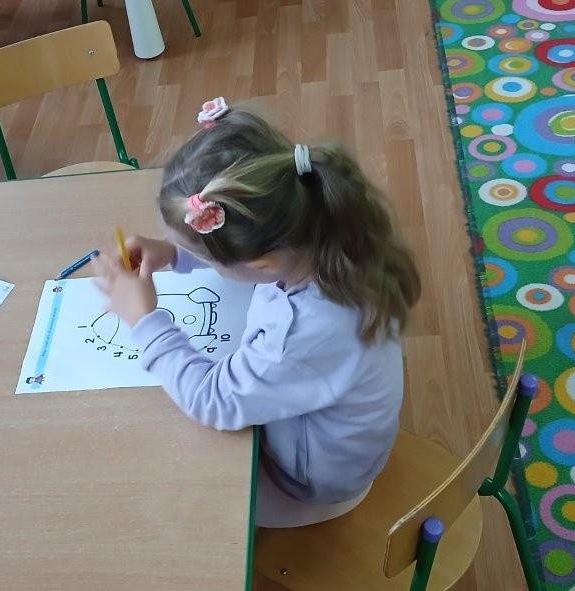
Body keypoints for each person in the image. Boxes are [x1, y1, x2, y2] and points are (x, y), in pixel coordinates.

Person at [90, 98, 422, 528]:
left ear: (262, 262)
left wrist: (144, 321)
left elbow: (210, 400)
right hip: (338, 441)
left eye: (205, 257)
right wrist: (173, 253)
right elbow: (243, 256)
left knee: (169, 497)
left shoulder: (301, 333)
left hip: (312, 482)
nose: (203, 261)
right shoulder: (320, 231)